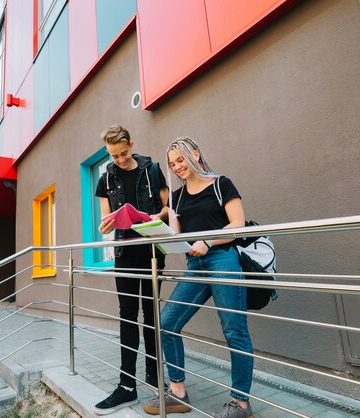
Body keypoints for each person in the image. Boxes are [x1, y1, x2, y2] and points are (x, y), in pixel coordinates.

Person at [143, 136, 254, 418]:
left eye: (180, 159)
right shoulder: (177, 197)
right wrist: (156, 230)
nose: (177, 167)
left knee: (234, 330)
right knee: (166, 323)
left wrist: (207, 241)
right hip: (195, 265)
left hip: (223, 259)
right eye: (172, 164)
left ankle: (240, 404)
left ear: (195, 154)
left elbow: (236, 226)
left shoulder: (221, 184)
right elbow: (177, 237)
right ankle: (178, 393)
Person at [93, 124, 170, 415]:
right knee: (127, 316)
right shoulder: (106, 179)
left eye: (124, 153)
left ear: (131, 144)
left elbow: (167, 206)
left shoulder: (152, 170)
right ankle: (127, 385)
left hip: (152, 252)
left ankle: (156, 379)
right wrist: (106, 225)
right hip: (124, 254)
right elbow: (104, 220)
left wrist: (154, 216)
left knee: (151, 315)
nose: (121, 159)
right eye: (114, 156)